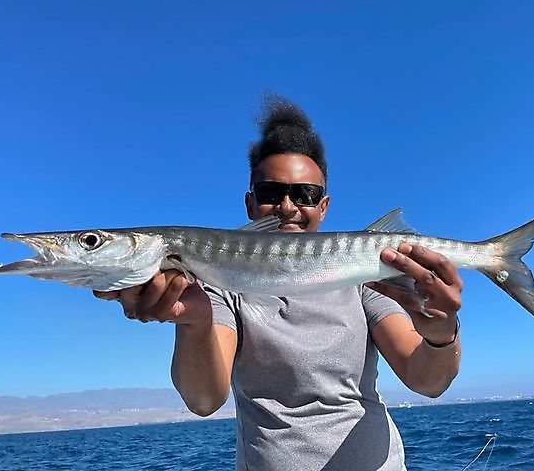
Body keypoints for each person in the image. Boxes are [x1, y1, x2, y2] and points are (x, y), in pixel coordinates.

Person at [95, 95, 462, 470]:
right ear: (250, 204)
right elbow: (203, 400)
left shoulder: (364, 280)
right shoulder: (219, 286)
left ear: (324, 206)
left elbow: (427, 381)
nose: (288, 207)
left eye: (305, 195)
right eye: (272, 193)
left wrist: (442, 331)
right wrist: (194, 323)